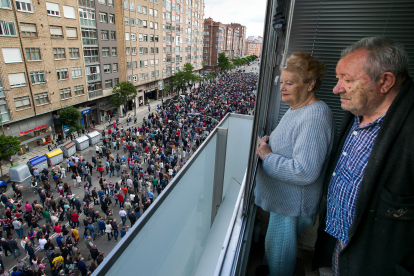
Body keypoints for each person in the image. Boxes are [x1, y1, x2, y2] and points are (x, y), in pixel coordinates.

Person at [313, 37, 414, 275]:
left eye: (347, 80)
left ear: (385, 81)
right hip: (340, 243)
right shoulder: (360, 108)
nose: (336, 88)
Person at [255, 52, 334, 275]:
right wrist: (269, 144)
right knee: (274, 250)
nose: (283, 87)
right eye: (283, 82)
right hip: (285, 202)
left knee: (279, 258)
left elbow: (305, 171)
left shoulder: (314, 118)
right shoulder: (299, 108)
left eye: (290, 83)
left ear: (311, 84)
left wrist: (268, 156)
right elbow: (291, 143)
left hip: (291, 206)